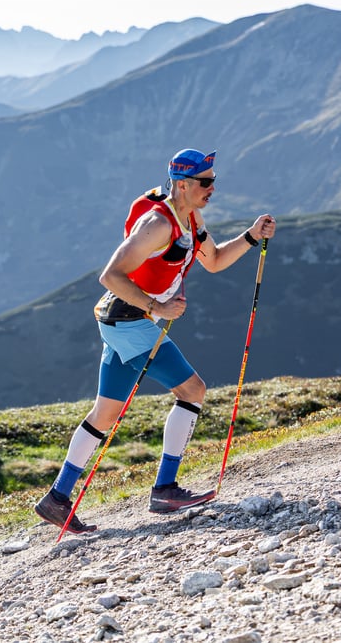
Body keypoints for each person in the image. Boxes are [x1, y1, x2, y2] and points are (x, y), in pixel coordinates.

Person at [35, 148, 276, 533]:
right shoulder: (157, 224)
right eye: (205, 182)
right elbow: (111, 275)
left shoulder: (192, 219)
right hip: (132, 322)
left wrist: (250, 236)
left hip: (119, 323)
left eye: (213, 180)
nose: (212, 188)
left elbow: (212, 261)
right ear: (182, 184)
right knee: (193, 390)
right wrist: (156, 307)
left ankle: (57, 498)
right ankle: (165, 489)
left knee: (105, 414)